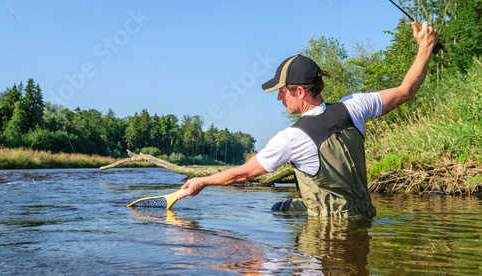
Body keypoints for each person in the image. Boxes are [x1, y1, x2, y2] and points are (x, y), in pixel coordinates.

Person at [178, 21, 440, 218]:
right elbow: (407, 91)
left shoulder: (291, 138)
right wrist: (425, 47)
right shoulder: (355, 106)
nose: (280, 99)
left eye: (282, 92)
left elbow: (243, 174)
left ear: (300, 91)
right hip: (364, 215)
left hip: (326, 230)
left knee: (277, 211)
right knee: (283, 206)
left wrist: (203, 180)